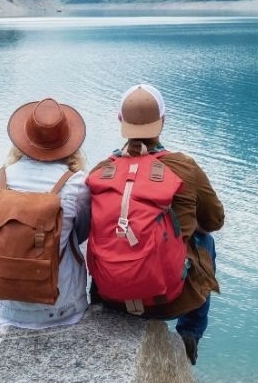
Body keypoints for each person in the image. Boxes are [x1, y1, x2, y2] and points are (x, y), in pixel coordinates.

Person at [88, 84, 224, 365]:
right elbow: (215, 221)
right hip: (168, 301)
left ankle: (100, 304)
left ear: (119, 121)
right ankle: (189, 333)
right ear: (163, 120)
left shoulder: (101, 172)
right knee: (206, 242)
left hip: (111, 298)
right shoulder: (184, 167)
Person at [0, 97, 92, 331]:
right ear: (68, 142)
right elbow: (81, 235)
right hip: (61, 308)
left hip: (3, 307)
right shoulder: (77, 183)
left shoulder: (0, 178)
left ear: (24, 140)